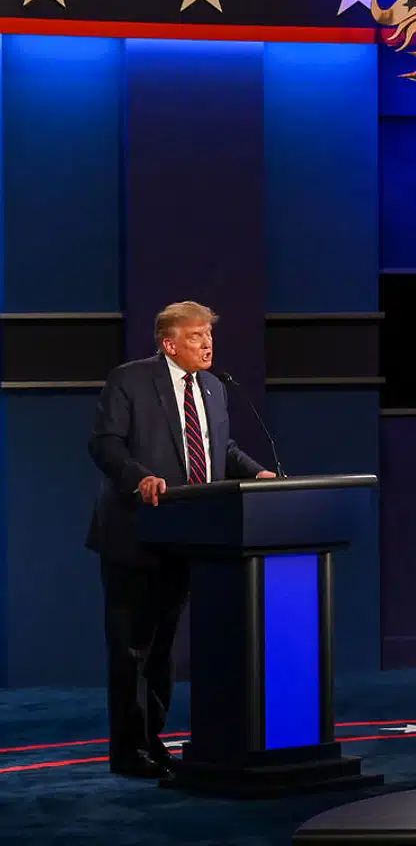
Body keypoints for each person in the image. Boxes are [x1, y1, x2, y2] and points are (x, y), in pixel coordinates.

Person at [86, 301, 275, 779]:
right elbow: (105, 443)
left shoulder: (213, 387)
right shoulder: (130, 380)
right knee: (132, 648)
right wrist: (139, 478)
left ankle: (154, 741)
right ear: (169, 344)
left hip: (189, 535)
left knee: (163, 649)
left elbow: (219, 448)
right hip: (135, 532)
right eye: (196, 337)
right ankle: (129, 752)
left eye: (209, 335)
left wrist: (258, 474)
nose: (207, 345)